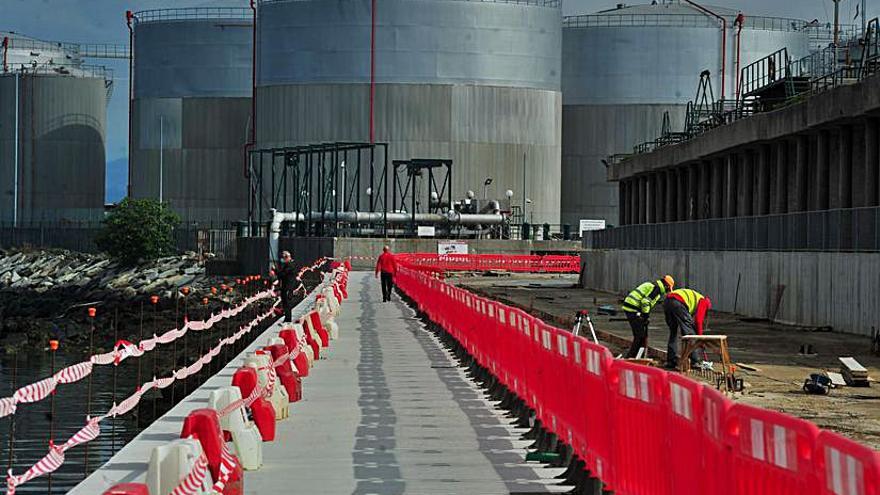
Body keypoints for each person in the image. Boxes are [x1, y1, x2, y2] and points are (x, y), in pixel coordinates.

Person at [620, 275, 675, 358]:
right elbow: (645, 302)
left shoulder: (652, 285)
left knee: (641, 334)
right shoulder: (656, 289)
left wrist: (644, 316)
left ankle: (638, 355)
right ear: (666, 286)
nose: (667, 292)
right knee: (639, 335)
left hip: (631, 306)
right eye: (668, 289)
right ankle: (631, 356)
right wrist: (645, 316)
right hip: (633, 308)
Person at [663, 288, 712, 369]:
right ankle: (695, 361)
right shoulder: (704, 302)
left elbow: (690, 320)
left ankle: (671, 361)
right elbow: (698, 321)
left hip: (667, 302)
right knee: (690, 334)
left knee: (673, 332)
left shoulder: (694, 300)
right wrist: (700, 338)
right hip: (678, 302)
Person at [274, 250, 297, 322]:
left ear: (288, 257)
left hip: (287, 287)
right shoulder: (288, 265)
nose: (283, 260)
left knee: (287, 304)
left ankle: (288, 319)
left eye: (284, 258)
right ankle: (287, 318)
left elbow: (282, 274)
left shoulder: (290, 265)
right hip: (285, 287)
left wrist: (275, 270)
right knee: (285, 303)